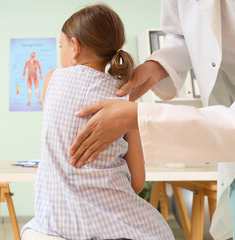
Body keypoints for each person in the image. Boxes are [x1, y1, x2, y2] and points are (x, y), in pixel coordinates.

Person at [69, 1, 235, 239]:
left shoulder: (57, 82)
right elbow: (183, 36)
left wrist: (138, 117)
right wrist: (157, 66)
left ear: (73, 47)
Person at [21, 4, 174, 240]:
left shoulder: (52, 79)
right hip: (112, 220)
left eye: (61, 46)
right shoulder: (125, 94)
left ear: (74, 47)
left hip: (54, 220)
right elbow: (137, 182)